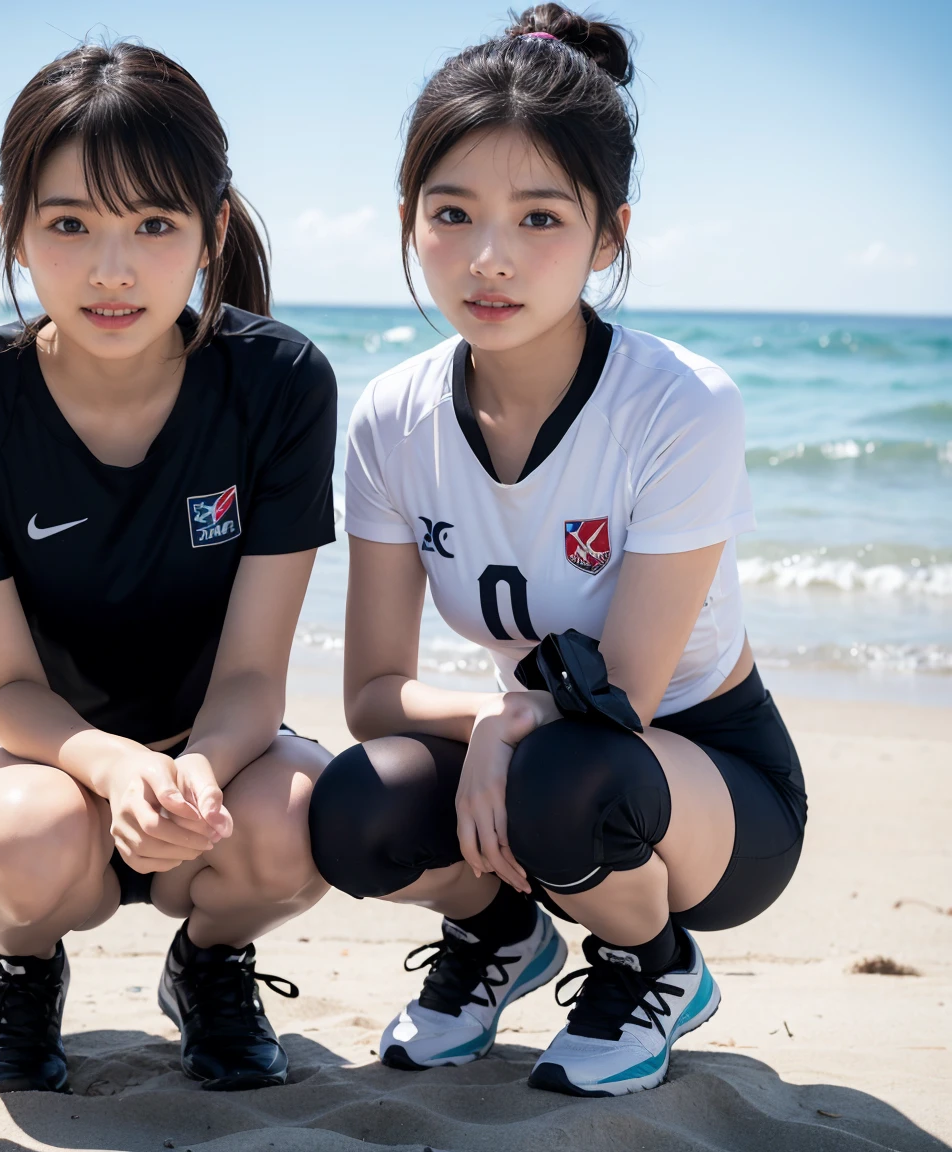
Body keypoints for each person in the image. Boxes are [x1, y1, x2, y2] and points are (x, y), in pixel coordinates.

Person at [308, 4, 807, 1098]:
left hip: (712, 785)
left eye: (540, 218)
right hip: (537, 756)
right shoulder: (391, 419)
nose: (489, 259)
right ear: (408, 220)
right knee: (354, 806)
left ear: (609, 233)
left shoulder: (680, 405)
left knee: (565, 775)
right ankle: (499, 939)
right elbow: (375, 694)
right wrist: (488, 721)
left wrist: (514, 728)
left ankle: (655, 965)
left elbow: (622, 690)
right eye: (453, 214)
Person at [0, 42, 337, 1095]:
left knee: (310, 815)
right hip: (35, 755)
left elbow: (256, 677)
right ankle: (24, 970)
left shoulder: (281, 383)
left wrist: (195, 775)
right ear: (16, 230)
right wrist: (117, 768)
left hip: (219, 749)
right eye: (71, 224)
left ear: (212, 231)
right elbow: (4, 689)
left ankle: (212, 964)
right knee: (18, 841)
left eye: (155, 226)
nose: (113, 269)